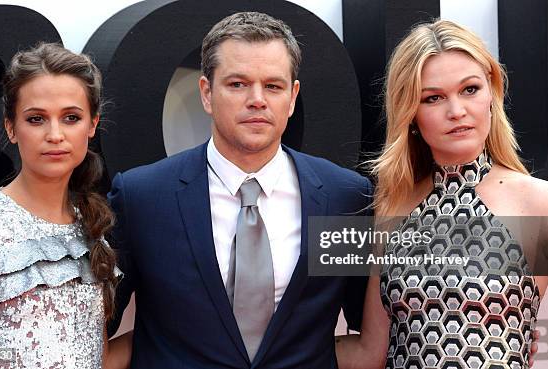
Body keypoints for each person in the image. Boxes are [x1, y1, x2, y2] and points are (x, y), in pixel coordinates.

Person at [106, 11, 372, 369]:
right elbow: (93, 331)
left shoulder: (344, 197)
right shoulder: (142, 197)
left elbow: (366, 326)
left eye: (273, 86)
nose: (257, 99)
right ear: (206, 93)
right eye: (237, 84)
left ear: (292, 98)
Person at [344, 19, 548, 369]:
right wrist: (261, 347)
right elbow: (371, 352)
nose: (456, 111)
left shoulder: (543, 203)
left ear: (492, 92)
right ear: (410, 113)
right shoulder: (393, 206)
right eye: (433, 98)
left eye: (470, 89)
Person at [0, 43, 128, 369]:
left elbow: (96, 359)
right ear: (11, 127)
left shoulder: (91, 226)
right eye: (36, 119)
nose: (55, 134)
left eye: (71, 118)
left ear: (92, 125)